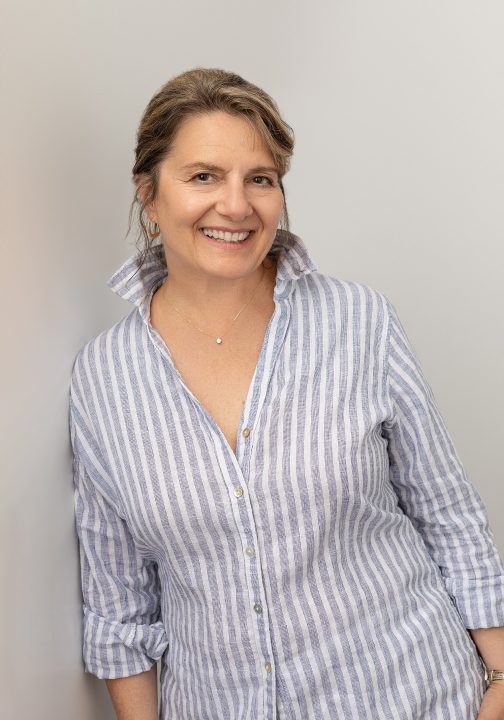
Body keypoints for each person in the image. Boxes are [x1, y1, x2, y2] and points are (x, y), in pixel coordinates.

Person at [70, 67, 504, 720]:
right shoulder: (102, 378)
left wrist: (500, 678)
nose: (237, 205)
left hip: (417, 696)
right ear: (149, 197)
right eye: (203, 176)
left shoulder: (359, 321)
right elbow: (118, 601)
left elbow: (447, 513)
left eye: (261, 179)